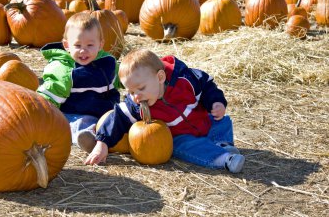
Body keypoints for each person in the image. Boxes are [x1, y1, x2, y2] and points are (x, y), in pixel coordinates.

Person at [84, 49, 245, 173]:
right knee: (184, 147)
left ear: (160, 77)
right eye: (130, 92)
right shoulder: (138, 105)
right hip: (181, 136)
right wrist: (102, 143)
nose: (135, 97)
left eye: (140, 88)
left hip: (203, 120)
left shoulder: (184, 80)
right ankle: (223, 158)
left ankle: (222, 143)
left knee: (222, 120)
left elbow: (206, 84)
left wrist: (216, 102)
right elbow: (117, 117)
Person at [37, 13, 120, 153]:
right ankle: (89, 140)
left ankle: (106, 136)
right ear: (67, 45)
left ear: (100, 44)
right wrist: (38, 114)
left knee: (119, 118)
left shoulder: (109, 63)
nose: (83, 50)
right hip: (74, 113)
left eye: (90, 45)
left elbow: (123, 79)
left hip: (105, 113)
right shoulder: (64, 70)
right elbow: (49, 96)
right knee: (79, 123)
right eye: (77, 45)